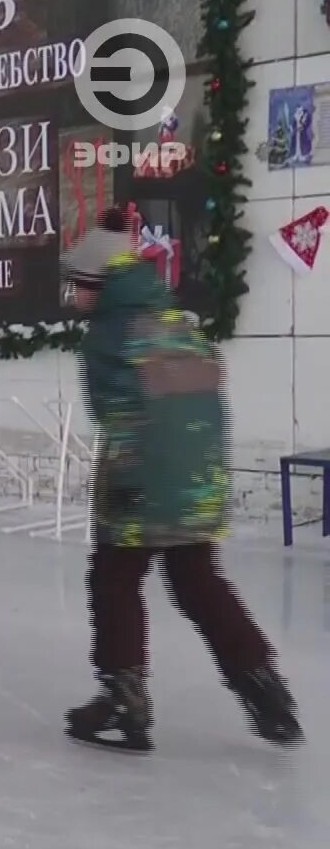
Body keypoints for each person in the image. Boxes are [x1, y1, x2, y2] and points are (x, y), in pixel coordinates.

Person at [62, 210, 302, 752]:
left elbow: (117, 414)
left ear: (99, 287)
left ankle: (125, 698)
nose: (72, 296)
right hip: (200, 478)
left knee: (114, 578)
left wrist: (123, 486)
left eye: (76, 286)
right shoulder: (176, 322)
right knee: (197, 579)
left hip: (142, 476)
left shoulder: (108, 333)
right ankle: (267, 693)